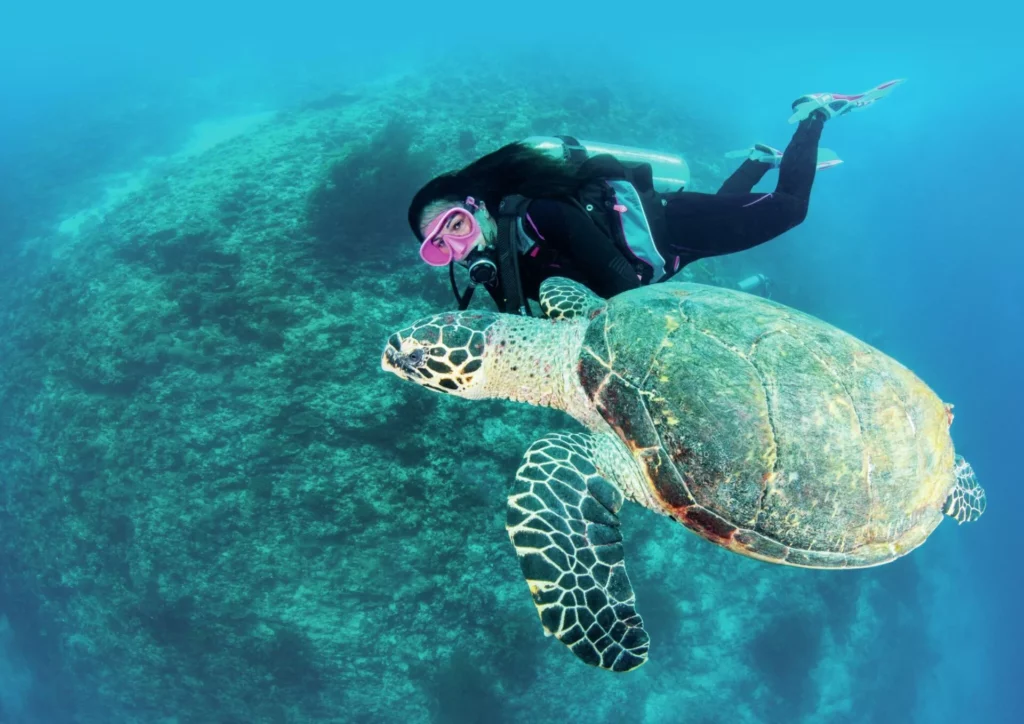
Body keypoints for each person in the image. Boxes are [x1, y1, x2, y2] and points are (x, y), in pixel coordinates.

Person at [407, 80, 904, 314]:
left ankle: (815, 112)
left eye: (453, 225)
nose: (455, 247)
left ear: (473, 205)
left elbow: (625, 284)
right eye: (437, 247)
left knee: (790, 209)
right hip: (668, 248)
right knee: (722, 216)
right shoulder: (499, 258)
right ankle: (756, 159)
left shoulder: (540, 213)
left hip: (670, 229)